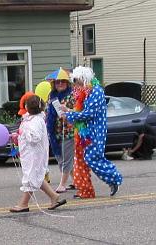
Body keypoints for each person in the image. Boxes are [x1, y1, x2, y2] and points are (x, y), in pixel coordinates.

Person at [63, 66, 123, 197]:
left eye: (78, 81)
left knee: (92, 158)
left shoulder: (96, 92)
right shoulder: (79, 90)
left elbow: (88, 114)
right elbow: (75, 107)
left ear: (85, 79)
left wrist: (69, 116)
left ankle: (113, 179)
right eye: (75, 82)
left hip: (95, 132)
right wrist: (66, 109)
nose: (76, 84)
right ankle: (85, 190)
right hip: (81, 131)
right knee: (79, 161)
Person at [10, 95, 67, 212]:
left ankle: (23, 204)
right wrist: (18, 135)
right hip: (29, 154)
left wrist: (24, 132)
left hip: (34, 155)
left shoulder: (36, 121)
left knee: (31, 177)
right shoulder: (30, 119)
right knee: (37, 177)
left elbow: (34, 138)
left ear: (27, 106)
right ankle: (54, 196)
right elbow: (27, 134)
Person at [46, 76, 75, 193]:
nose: (60, 84)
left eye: (63, 81)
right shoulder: (51, 96)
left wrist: (67, 110)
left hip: (69, 131)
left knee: (65, 158)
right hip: (55, 131)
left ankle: (62, 184)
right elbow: (48, 112)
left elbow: (79, 111)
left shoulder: (72, 95)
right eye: (57, 82)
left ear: (67, 83)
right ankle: (76, 181)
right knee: (60, 157)